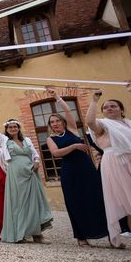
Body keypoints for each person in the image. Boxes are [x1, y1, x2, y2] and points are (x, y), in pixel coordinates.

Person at [45, 89, 109, 247]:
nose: (55, 124)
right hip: (69, 171)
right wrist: (74, 146)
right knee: (75, 202)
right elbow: (56, 153)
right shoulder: (50, 138)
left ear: (63, 122)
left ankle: (108, 233)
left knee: (97, 198)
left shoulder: (72, 129)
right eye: (52, 122)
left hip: (86, 168)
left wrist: (56, 97)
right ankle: (81, 237)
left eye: (57, 121)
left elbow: (67, 110)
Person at [0, 110, 53, 243]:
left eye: (15, 126)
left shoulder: (27, 140)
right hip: (16, 174)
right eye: (10, 127)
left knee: (34, 202)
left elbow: (35, 154)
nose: (13, 129)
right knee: (19, 203)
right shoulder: (4, 140)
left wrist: (36, 162)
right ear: (6, 129)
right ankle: (19, 233)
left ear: (19, 128)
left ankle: (37, 235)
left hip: (30, 172)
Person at [86, 90, 131, 248]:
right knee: (128, 200)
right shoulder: (103, 125)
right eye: (106, 107)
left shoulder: (129, 124)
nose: (109, 108)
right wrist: (94, 101)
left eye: (113, 106)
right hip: (115, 161)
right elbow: (90, 122)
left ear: (121, 109)